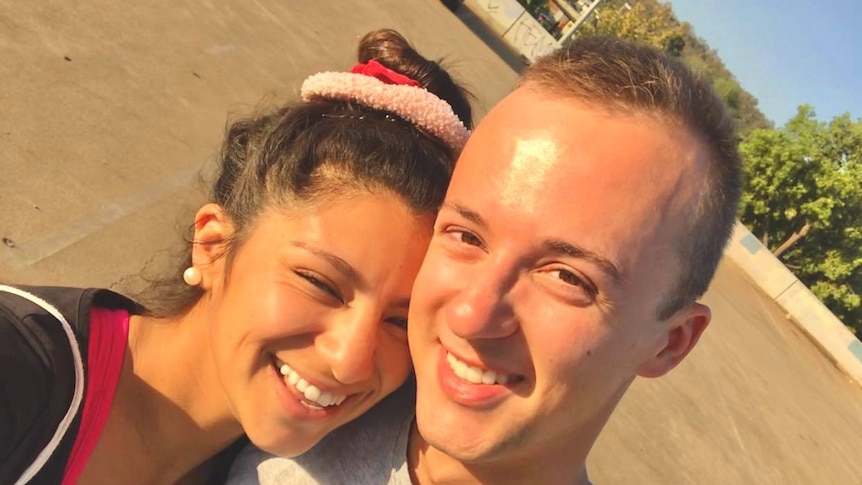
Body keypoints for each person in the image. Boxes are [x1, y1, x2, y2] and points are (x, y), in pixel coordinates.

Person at [230, 34, 742, 485]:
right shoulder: (301, 402)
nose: (470, 315)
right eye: (466, 235)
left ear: (670, 343)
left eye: (567, 277)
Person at [0, 29, 473, 485]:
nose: (350, 361)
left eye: (399, 322)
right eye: (320, 283)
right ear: (211, 246)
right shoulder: (19, 367)